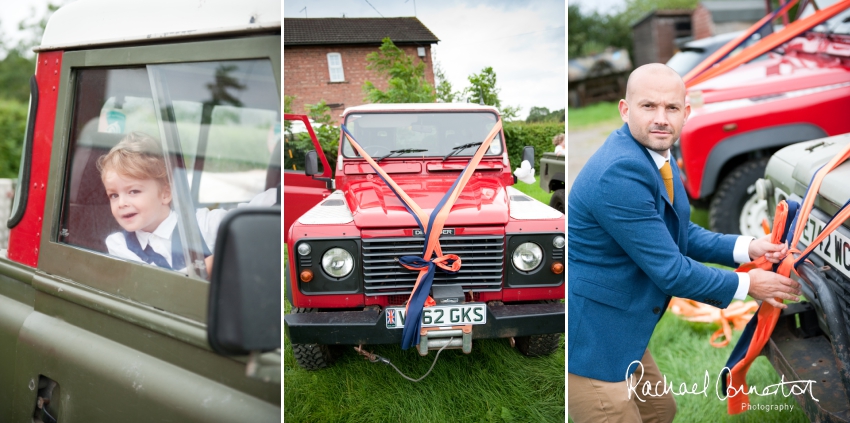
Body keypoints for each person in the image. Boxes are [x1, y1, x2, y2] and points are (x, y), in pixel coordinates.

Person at [567, 64, 801, 423]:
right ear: (625, 110)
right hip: (595, 339)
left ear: (685, 113)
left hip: (626, 326)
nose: (661, 118)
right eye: (649, 106)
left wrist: (748, 247)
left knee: (661, 411)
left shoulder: (657, 152)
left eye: (671, 108)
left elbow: (682, 233)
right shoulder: (619, 172)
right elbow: (671, 272)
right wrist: (749, 284)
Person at [97, 132, 275, 273]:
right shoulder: (119, 245)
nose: (121, 203)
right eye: (113, 195)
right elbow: (163, 284)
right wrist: (218, 259)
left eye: (133, 191)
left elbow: (248, 216)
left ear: (165, 193)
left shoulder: (201, 223)